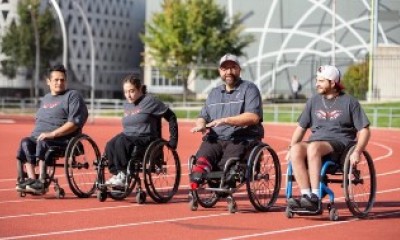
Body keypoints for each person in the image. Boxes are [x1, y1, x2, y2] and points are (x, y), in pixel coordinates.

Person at [286, 65, 370, 211]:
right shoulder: (313, 101)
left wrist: (358, 151)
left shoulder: (350, 102)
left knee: (313, 147)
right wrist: (291, 147)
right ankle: (306, 196)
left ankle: (316, 197)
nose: (317, 84)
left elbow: (364, 130)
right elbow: (301, 128)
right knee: (296, 149)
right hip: (316, 142)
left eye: (321, 81)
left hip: (340, 143)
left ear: (333, 83)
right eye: (317, 80)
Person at [189, 53, 264, 189]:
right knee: (202, 159)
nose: (228, 72)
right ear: (220, 71)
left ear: (239, 69)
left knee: (227, 164)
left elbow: (253, 117)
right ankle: (199, 179)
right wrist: (201, 126)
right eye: (224, 69)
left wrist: (226, 120)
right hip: (216, 138)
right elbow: (202, 116)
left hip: (242, 137)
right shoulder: (214, 93)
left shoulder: (249, 89)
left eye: (232, 67)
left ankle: (222, 183)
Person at [16, 64, 88, 194]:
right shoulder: (46, 98)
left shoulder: (72, 96)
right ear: (48, 82)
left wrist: (52, 133)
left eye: (62, 80)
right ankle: (31, 180)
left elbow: (75, 123)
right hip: (41, 137)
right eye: (56, 80)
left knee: (43, 142)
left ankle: (42, 182)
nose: (59, 82)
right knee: (25, 142)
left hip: (63, 139)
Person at [104, 74, 178, 186]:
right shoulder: (127, 105)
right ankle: (117, 173)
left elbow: (171, 117)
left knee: (121, 142)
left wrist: (173, 140)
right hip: (128, 136)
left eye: (132, 91)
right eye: (126, 92)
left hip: (146, 138)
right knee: (110, 144)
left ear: (139, 89)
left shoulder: (150, 101)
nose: (128, 95)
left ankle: (124, 174)